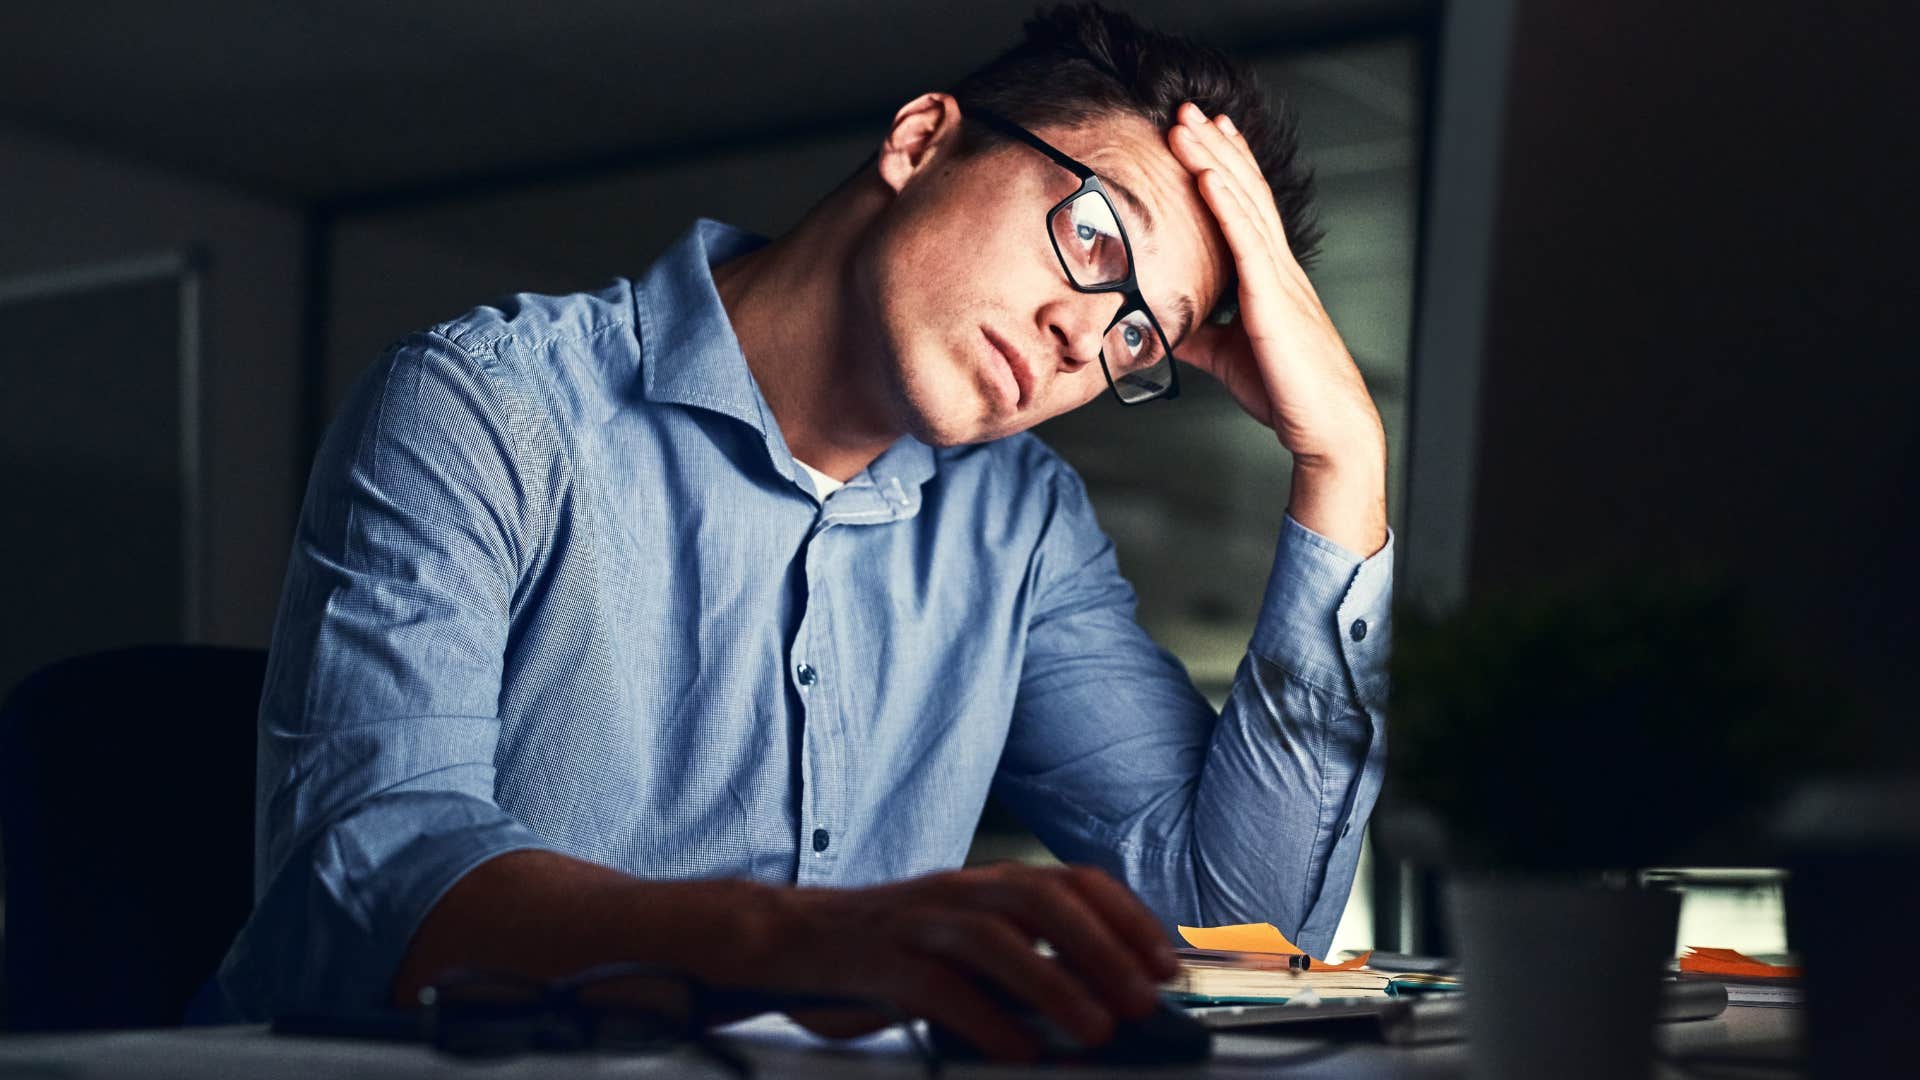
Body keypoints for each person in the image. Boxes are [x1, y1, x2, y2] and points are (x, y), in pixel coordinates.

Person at [197, 2, 1393, 1061]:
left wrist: (1344, 460)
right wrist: (810, 941)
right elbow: (362, 892)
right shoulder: (487, 405)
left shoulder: (1020, 526)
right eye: (1094, 238)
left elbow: (1240, 938)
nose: (1089, 337)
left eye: (1142, 335)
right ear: (922, 139)